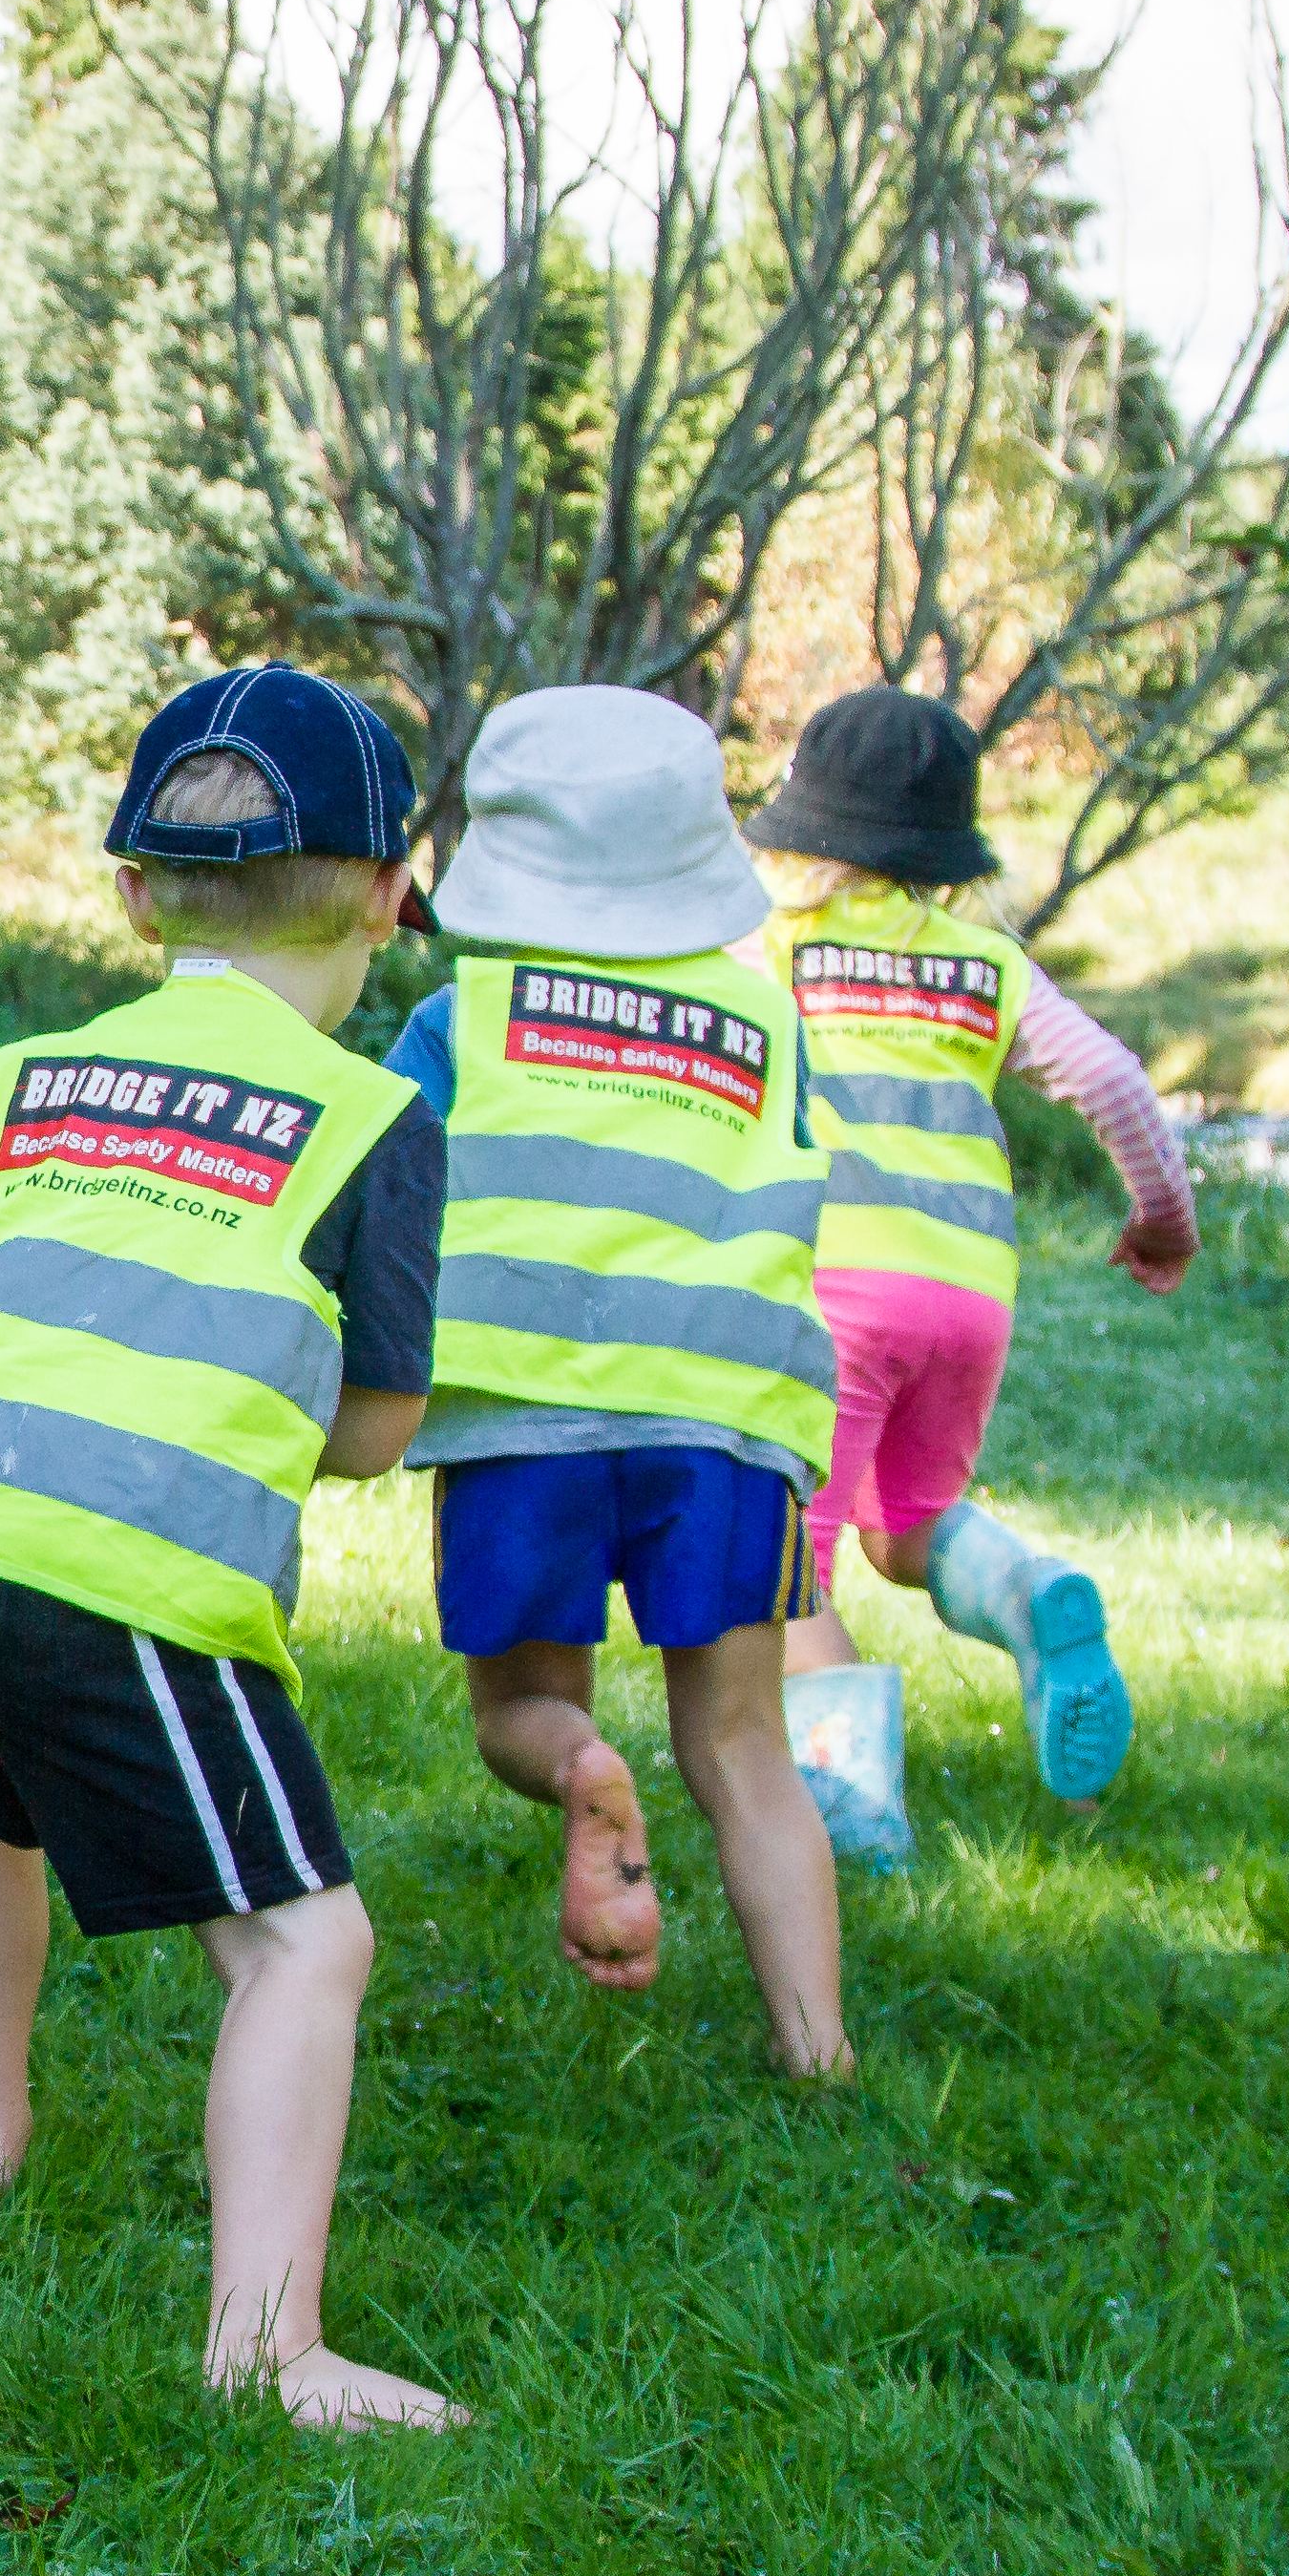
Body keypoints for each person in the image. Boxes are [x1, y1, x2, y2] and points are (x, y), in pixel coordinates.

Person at [0, 669, 468, 2433]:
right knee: (300, 1946)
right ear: (390, 892)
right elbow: (374, 1430)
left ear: (137, 898)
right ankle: (265, 2351)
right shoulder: (373, 1120)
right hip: (118, 1574)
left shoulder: (27, 1074)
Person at [384, 686, 851, 2077]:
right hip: (727, 1417)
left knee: (519, 1707)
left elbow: (385, 1193)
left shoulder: (464, 1020)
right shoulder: (769, 1026)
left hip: (521, 1412)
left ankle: (584, 1770)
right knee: (745, 1744)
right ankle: (819, 2050)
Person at [741, 688, 1193, 1860]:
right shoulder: (989, 967)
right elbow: (1116, 1081)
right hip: (968, 1299)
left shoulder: (771, 947)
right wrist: (1163, 1221)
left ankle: (857, 1822)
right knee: (907, 1526)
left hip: (833, 1296)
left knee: (787, 1568)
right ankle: (1031, 1600)